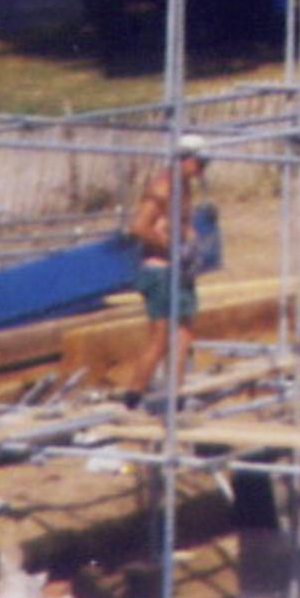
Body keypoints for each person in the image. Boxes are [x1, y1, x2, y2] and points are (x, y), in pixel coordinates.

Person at [121, 146, 209, 406]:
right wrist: (171, 246)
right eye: (200, 162)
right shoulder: (162, 189)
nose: (203, 168)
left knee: (183, 331)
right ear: (183, 159)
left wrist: (191, 241)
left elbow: (181, 223)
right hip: (160, 271)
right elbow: (138, 227)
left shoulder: (184, 187)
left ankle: (175, 395)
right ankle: (133, 397)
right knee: (160, 336)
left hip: (178, 269)